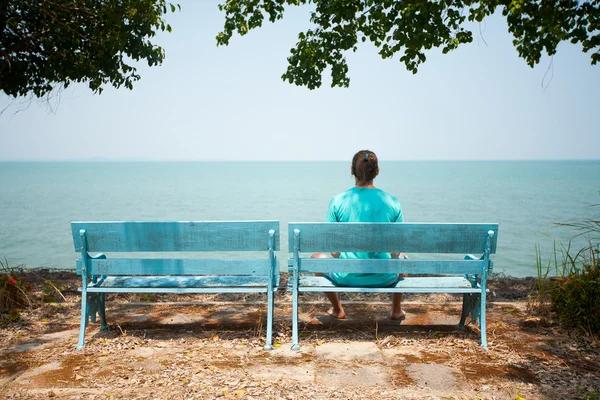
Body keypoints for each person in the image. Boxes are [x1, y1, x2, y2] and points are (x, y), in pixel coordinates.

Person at [313, 149, 406, 320]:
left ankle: (337, 309)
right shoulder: (392, 202)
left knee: (316, 257)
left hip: (346, 277)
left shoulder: (338, 201)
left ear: (351, 171)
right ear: (377, 171)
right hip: (384, 277)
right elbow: (396, 252)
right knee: (405, 259)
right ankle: (396, 310)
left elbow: (335, 253)